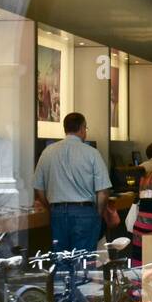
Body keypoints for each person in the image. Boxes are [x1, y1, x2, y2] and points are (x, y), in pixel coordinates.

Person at [32, 112, 113, 267]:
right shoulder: (92, 153)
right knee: (83, 265)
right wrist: (97, 213)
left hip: (58, 214)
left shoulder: (47, 152)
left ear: (65, 129)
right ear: (82, 129)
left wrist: (51, 208)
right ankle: (81, 290)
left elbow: (39, 189)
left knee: (61, 262)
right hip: (85, 213)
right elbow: (103, 192)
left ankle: (62, 290)